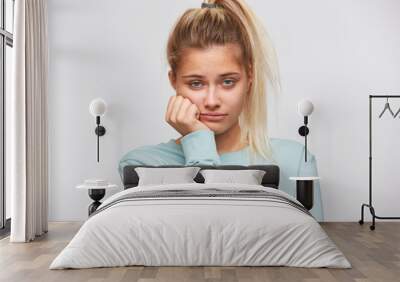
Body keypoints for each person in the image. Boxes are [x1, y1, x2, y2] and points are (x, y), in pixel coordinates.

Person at [118, 0, 323, 221]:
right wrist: (198, 139)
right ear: (174, 81)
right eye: (196, 83)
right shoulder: (141, 164)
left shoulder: (294, 159)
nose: (212, 101)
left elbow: (317, 244)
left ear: (250, 78)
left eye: (227, 82)